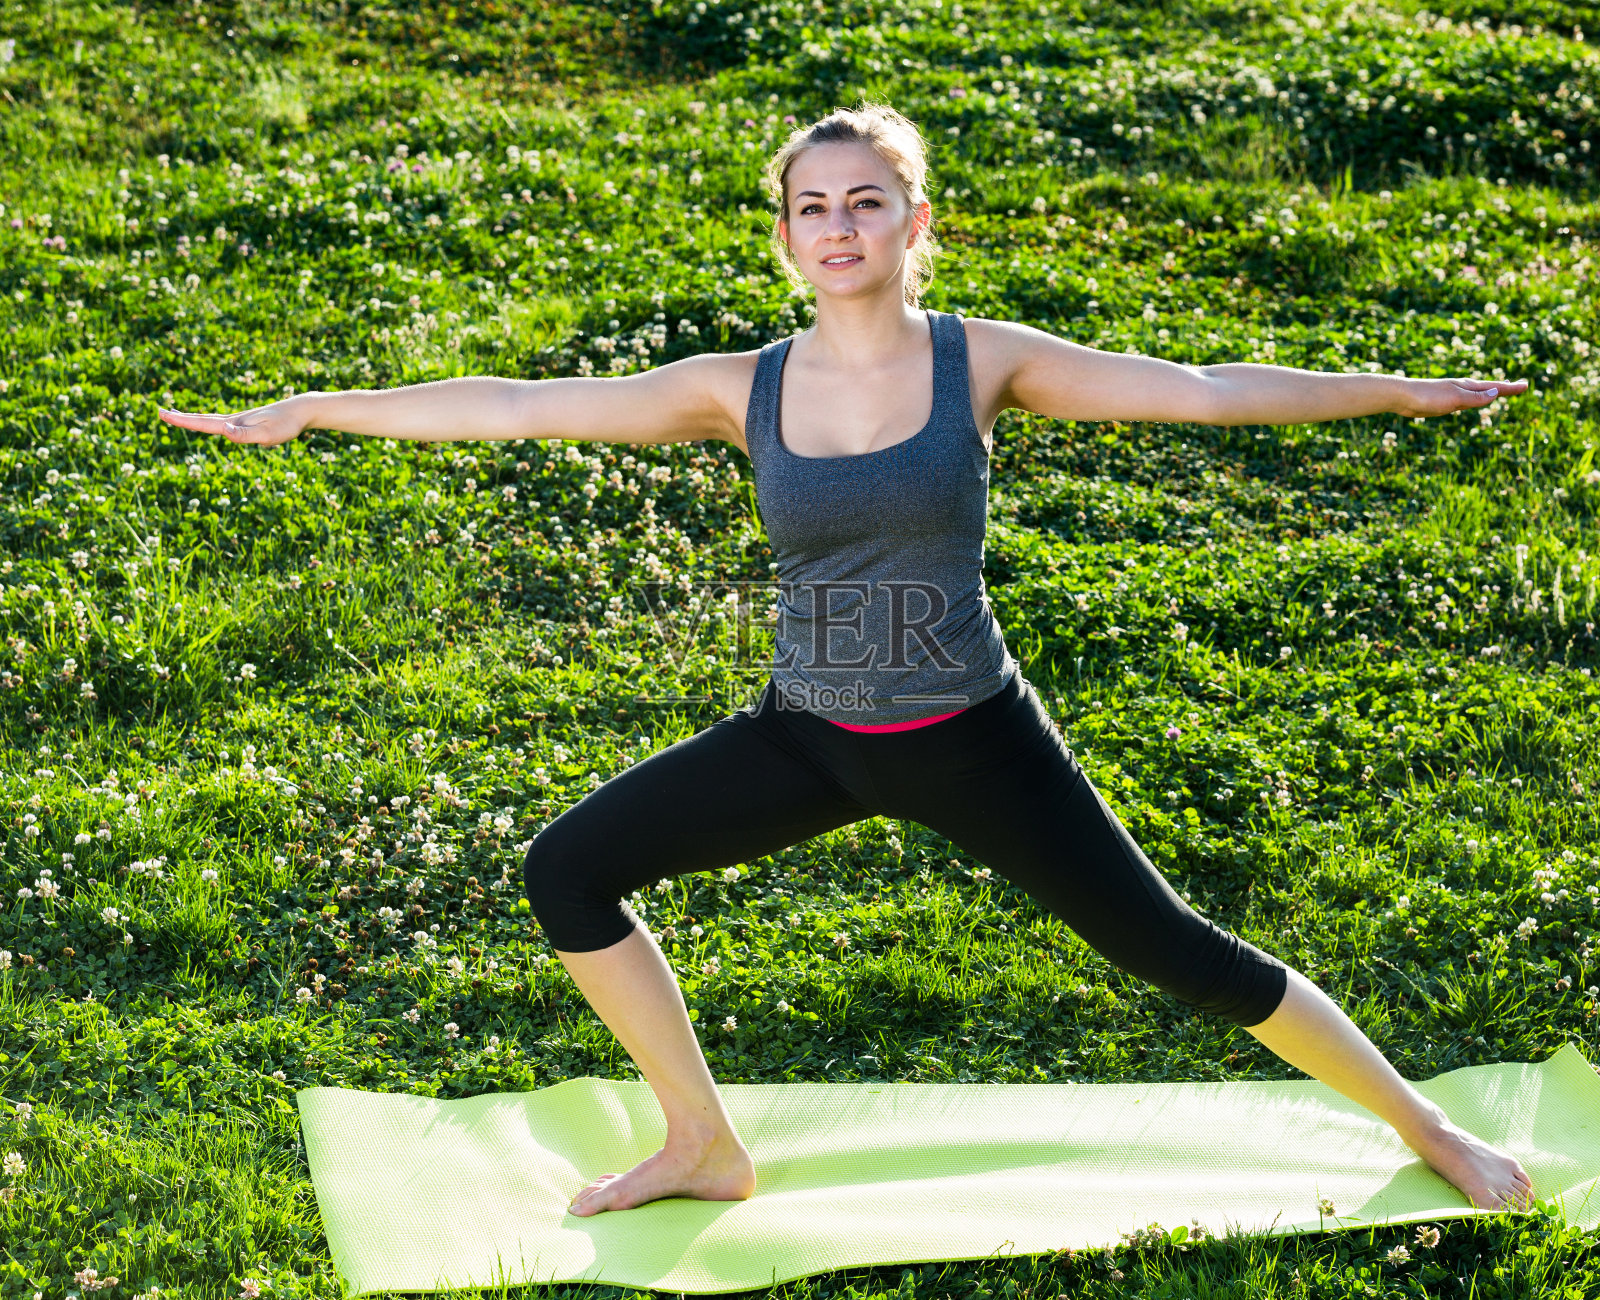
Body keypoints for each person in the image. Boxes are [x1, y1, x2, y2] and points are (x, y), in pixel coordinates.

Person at [157, 102, 1534, 1222]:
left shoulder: (980, 364)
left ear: (914, 223)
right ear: (785, 234)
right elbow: (522, 406)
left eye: (865, 202)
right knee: (567, 870)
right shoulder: (739, 387)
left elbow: (1209, 391)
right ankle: (703, 1142)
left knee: (1180, 955)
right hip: (808, 735)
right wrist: (319, 408)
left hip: (972, 740)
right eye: (812, 206)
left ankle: (1425, 1126)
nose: (838, 226)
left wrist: (1406, 392)